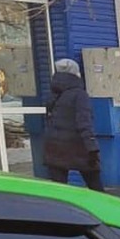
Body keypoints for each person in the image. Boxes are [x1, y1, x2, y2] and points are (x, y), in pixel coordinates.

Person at [44, 57, 102, 190]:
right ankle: (103, 211)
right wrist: (92, 148)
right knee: (96, 188)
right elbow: (84, 123)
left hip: (54, 148)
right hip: (79, 147)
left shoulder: (53, 95)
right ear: (76, 74)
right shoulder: (80, 95)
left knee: (60, 192)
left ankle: (60, 211)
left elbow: (49, 120)